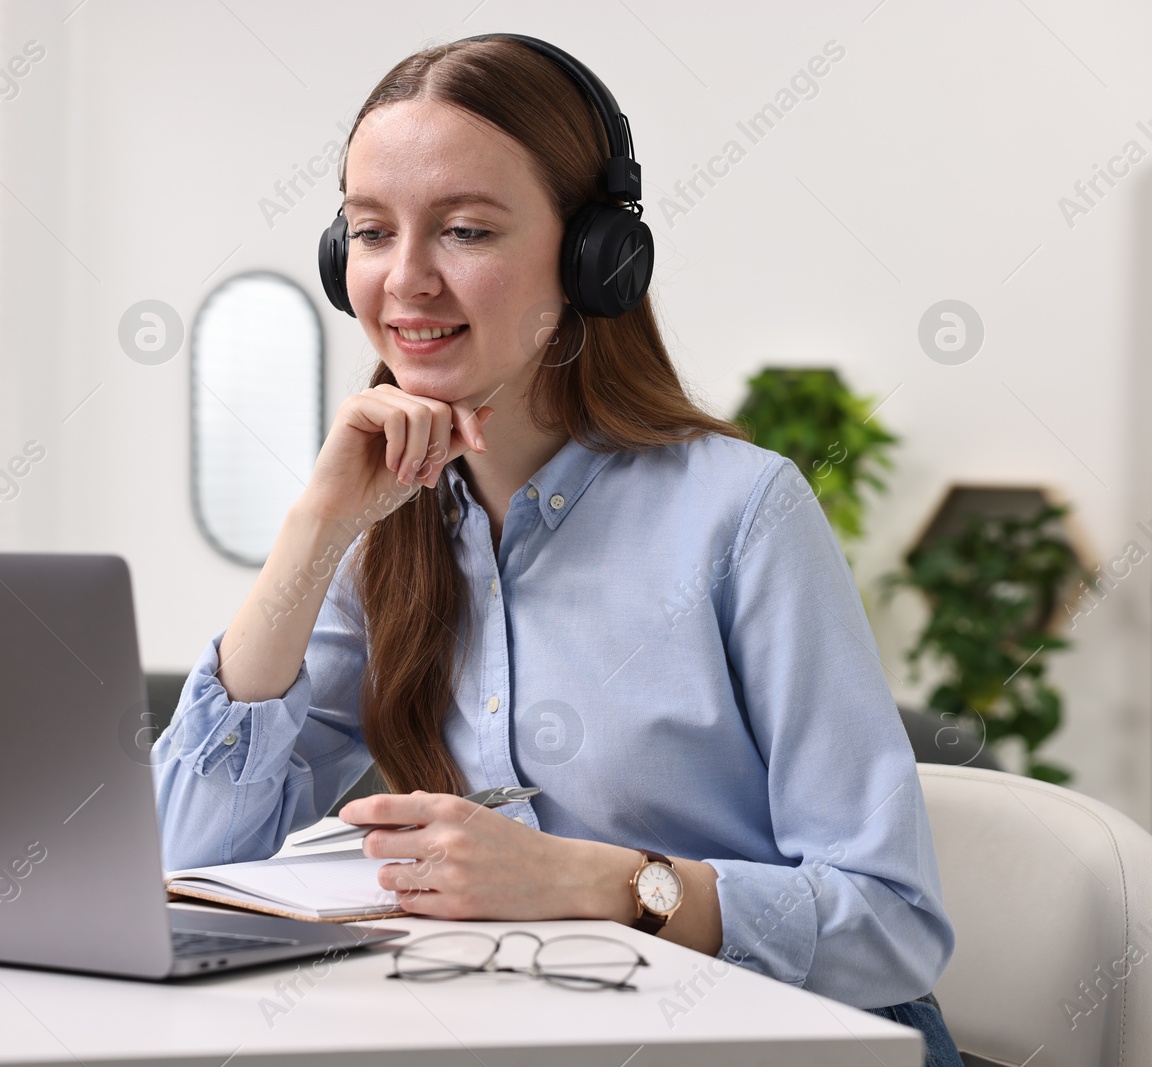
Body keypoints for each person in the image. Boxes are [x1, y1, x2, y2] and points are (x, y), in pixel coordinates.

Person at [152, 35, 960, 1064]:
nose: (405, 281)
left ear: (594, 258)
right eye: (368, 232)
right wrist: (313, 532)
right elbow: (187, 856)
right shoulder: (388, 525)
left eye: (465, 230)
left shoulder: (741, 511)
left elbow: (892, 920)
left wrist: (602, 882)